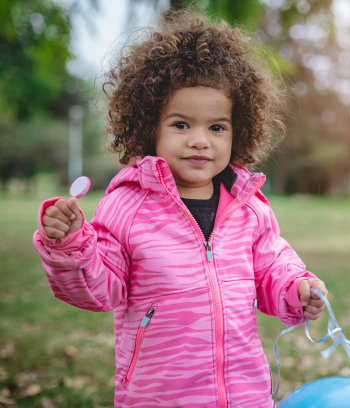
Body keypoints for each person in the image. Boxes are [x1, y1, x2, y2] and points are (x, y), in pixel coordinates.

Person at [33, 10, 327, 408]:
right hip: (160, 396)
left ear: (238, 129)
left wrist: (297, 288)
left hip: (245, 396)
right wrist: (69, 244)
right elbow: (98, 289)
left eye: (217, 127)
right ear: (149, 125)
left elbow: (272, 267)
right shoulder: (128, 205)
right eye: (181, 125)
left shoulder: (248, 207)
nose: (200, 141)